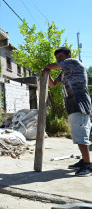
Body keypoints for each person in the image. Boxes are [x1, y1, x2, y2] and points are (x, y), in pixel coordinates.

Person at [43, 47, 91, 177]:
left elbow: (50, 65)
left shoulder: (73, 62)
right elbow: (53, 84)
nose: (58, 60)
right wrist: (47, 75)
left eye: (60, 57)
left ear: (68, 55)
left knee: (81, 136)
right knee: (78, 135)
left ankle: (88, 166)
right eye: (57, 58)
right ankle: (84, 161)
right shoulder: (64, 71)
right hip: (72, 106)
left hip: (79, 104)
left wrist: (47, 67)